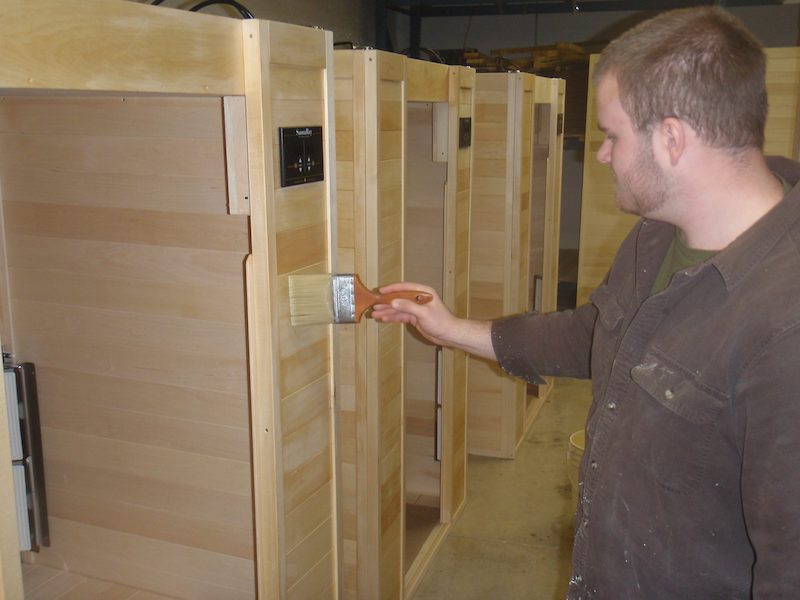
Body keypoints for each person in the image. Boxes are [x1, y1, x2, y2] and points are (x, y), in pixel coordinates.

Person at [371, 6, 800, 599]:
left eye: (613, 135)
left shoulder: (785, 326)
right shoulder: (658, 234)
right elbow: (601, 335)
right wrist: (450, 329)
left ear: (671, 138)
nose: (600, 154)